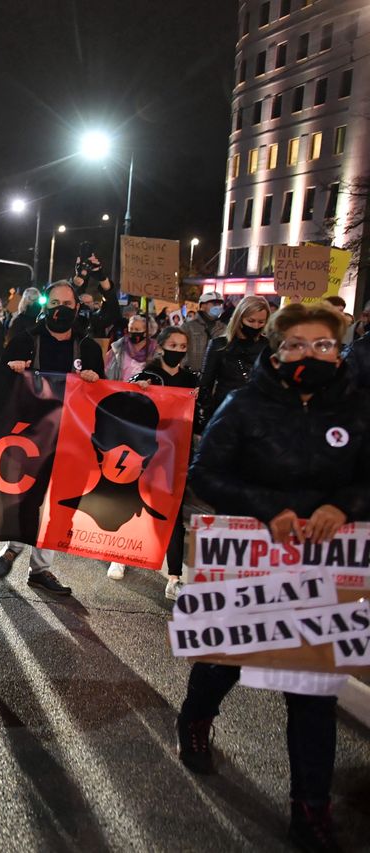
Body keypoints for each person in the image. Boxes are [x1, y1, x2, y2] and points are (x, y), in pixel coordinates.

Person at [178, 302, 370, 851]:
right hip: (251, 557)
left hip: (326, 569)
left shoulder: (358, 410)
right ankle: (197, 716)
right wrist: (270, 509)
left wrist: (343, 506)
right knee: (223, 663)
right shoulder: (243, 405)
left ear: (340, 348)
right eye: (297, 344)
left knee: (312, 693)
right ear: (276, 349)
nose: (310, 354)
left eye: (323, 344)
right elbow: (206, 473)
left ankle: (311, 812)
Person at [0, 280, 105, 596]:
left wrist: (96, 380)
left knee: (64, 503)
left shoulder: (90, 348)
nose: (60, 310)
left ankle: (41, 569)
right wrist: (11, 368)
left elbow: (106, 394)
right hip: (33, 436)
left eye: (67, 305)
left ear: (77, 308)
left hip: (74, 439)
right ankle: (14, 546)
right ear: (44, 307)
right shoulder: (24, 341)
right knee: (29, 495)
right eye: (54, 304)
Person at [103, 325, 198, 596]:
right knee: (131, 501)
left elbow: (196, 417)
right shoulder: (147, 375)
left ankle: (174, 577)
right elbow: (127, 407)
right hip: (144, 451)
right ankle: (120, 557)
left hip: (175, 454)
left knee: (173, 513)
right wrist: (137, 389)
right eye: (173, 345)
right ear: (162, 346)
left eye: (182, 347)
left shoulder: (190, 380)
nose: (177, 351)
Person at [195, 294, 269, 432]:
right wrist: (207, 414)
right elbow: (205, 383)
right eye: (251, 320)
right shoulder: (219, 345)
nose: (256, 326)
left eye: (261, 322)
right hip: (225, 411)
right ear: (240, 318)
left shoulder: (268, 346)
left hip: (259, 414)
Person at [104, 313, 159, 381]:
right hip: (122, 388)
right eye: (131, 329)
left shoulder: (155, 349)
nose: (133, 332)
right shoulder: (119, 346)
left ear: (147, 332)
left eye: (137, 329)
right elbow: (106, 366)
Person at [183, 290, 226, 373]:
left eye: (219, 304)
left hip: (214, 376)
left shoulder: (224, 328)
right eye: (214, 304)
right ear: (202, 305)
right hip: (191, 375)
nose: (218, 307)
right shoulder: (188, 327)